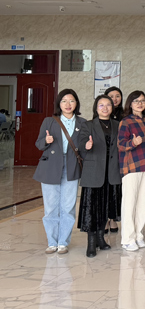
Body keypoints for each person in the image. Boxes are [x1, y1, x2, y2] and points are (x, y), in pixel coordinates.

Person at [34, 89, 86, 254]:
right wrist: (46, 140)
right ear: (59, 104)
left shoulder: (82, 123)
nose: (68, 104)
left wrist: (88, 146)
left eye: (71, 101)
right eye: (64, 101)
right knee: (50, 207)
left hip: (71, 167)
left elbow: (84, 148)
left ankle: (63, 242)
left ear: (76, 103)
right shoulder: (49, 121)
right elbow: (38, 143)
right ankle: (52, 242)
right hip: (50, 167)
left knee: (68, 206)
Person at [76, 95, 120, 257]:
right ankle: (91, 243)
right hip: (94, 173)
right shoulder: (88, 125)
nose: (105, 108)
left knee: (106, 207)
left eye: (108, 105)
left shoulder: (117, 125)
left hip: (112, 172)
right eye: (101, 105)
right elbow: (81, 144)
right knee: (92, 209)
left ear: (112, 108)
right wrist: (86, 145)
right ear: (96, 108)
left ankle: (101, 239)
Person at [117, 91, 145, 252]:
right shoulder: (126, 121)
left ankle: (138, 234)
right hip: (132, 167)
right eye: (136, 101)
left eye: (142, 100)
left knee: (143, 203)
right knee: (129, 203)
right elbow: (120, 144)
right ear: (130, 104)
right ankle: (127, 239)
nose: (140, 104)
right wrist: (132, 143)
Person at [104, 86, 124, 234]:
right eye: (111, 96)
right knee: (105, 189)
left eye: (118, 96)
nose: (115, 99)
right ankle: (105, 218)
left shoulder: (125, 115)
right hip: (104, 158)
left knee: (116, 190)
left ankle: (113, 218)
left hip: (120, 158)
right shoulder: (102, 114)